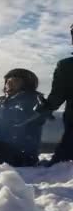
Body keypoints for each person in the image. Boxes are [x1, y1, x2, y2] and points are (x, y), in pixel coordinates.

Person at [36, 23, 73, 165]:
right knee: (61, 165)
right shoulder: (66, 66)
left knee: (60, 165)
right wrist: (45, 107)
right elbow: (57, 95)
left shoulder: (66, 66)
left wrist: (46, 106)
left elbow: (57, 96)